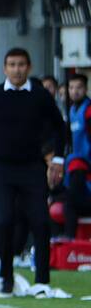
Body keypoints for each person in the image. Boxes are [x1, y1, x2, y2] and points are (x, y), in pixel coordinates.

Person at [0, 48, 65, 298]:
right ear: (4, 68)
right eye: (12, 64)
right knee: (2, 221)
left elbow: (59, 126)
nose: (17, 69)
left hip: (32, 168)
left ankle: (42, 280)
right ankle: (5, 278)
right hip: (1, 169)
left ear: (29, 67)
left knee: (41, 223)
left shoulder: (40, 96)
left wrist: (59, 159)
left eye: (21, 64)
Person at [63, 73, 91, 238]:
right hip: (76, 163)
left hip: (83, 164)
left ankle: (69, 238)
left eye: (79, 88)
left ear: (86, 89)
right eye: (71, 88)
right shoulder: (72, 110)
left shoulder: (88, 111)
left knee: (71, 201)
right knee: (70, 201)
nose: (75, 91)